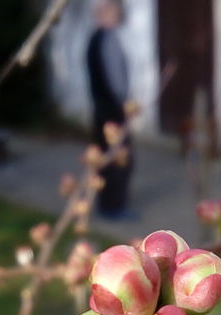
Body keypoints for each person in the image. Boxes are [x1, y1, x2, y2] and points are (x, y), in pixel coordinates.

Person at [86, 0, 134, 220]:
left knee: (107, 160)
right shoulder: (107, 40)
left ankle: (108, 205)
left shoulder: (95, 39)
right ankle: (114, 207)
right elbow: (115, 80)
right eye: (115, 11)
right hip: (113, 112)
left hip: (101, 111)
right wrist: (125, 105)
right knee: (118, 160)